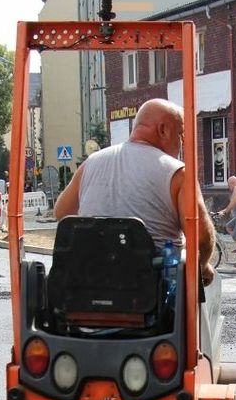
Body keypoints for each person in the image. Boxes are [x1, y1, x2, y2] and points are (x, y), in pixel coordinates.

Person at [54, 98, 216, 285]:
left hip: (87, 289)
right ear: (163, 129)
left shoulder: (91, 163)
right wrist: (203, 267)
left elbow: (62, 213)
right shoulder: (178, 173)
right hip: (149, 299)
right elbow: (202, 240)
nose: (182, 144)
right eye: (181, 134)